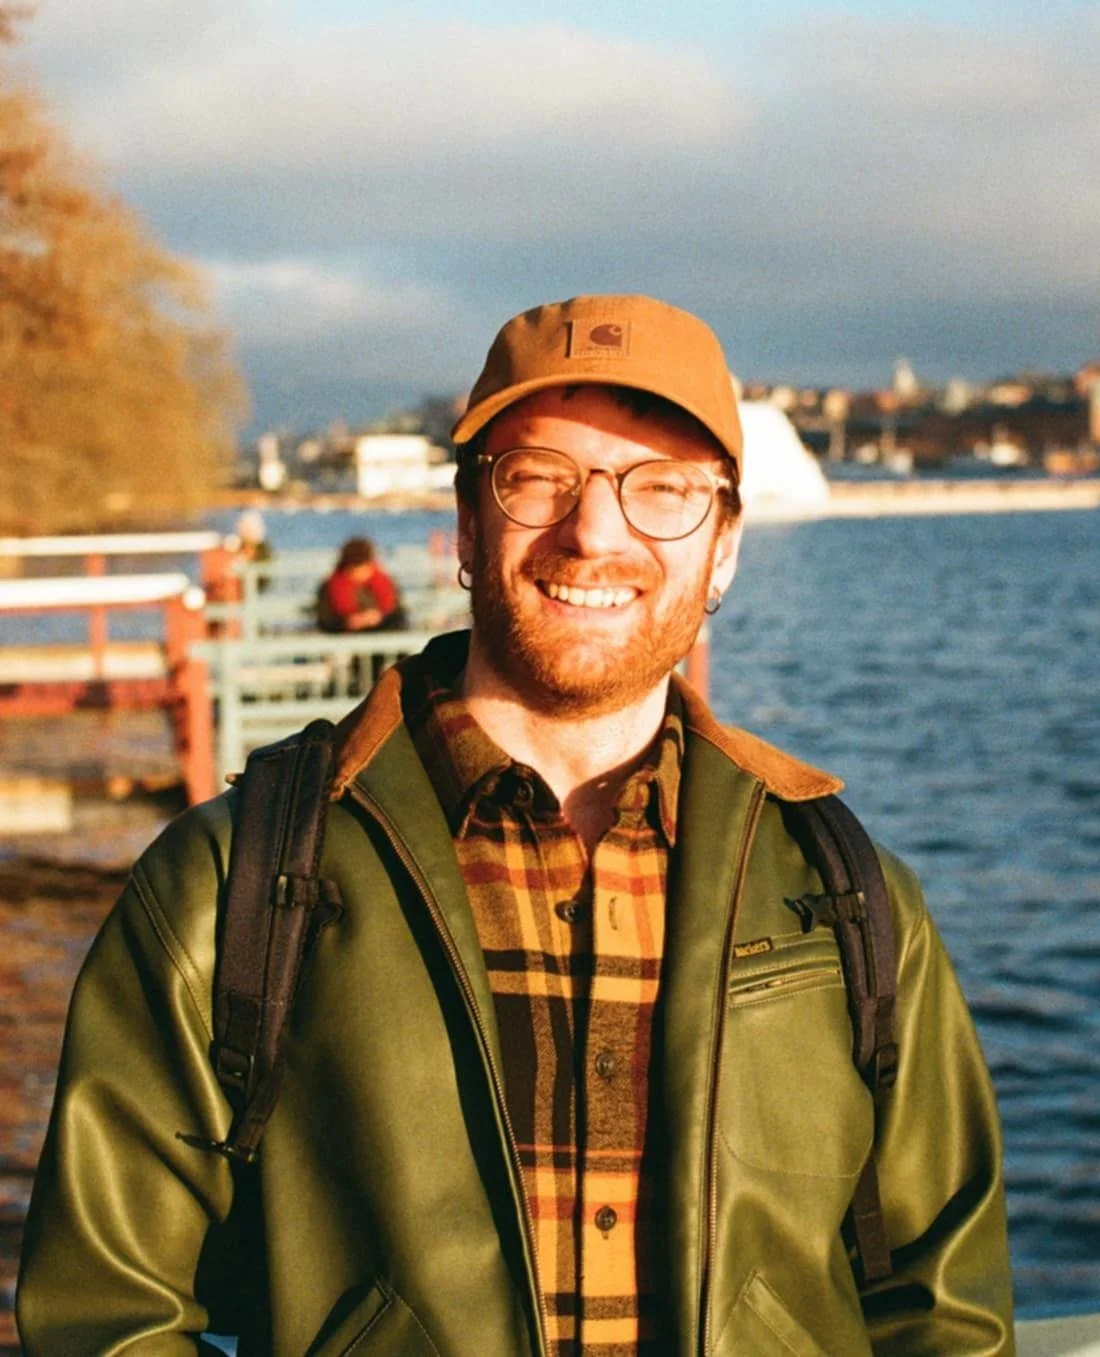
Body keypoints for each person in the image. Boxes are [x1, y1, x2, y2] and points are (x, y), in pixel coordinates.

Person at [17, 295, 1014, 1353]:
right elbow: (106, 1314)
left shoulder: (846, 898)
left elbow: (941, 1308)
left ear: (723, 547)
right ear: (465, 524)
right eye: (540, 477)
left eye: (663, 489)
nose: (596, 532)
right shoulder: (236, 883)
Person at [315, 535, 408, 633]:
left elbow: (398, 617)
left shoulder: (385, 584)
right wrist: (347, 623)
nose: (359, 574)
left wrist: (379, 618)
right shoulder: (330, 588)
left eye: (363, 567)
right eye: (354, 569)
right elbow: (325, 621)